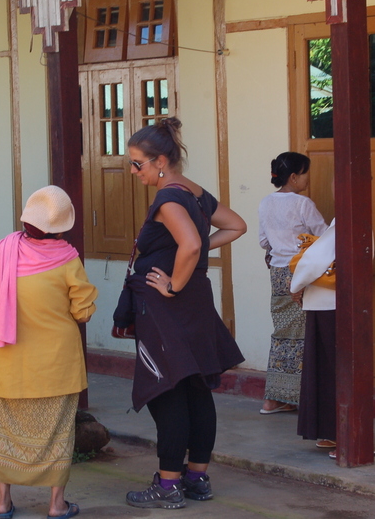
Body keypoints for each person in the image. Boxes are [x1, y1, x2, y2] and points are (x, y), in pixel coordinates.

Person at [123, 117, 247, 510]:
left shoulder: (169, 198)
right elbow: (236, 226)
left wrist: (174, 282)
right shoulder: (194, 193)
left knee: (167, 391)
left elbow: (191, 243)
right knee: (195, 388)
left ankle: (168, 485)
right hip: (196, 303)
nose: (133, 171)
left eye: (137, 164)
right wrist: (186, 258)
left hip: (168, 306)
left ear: (160, 161)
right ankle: (196, 477)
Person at [0, 185, 97, 519]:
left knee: (5, 433)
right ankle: (56, 505)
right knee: (58, 434)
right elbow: (83, 311)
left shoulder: (1, 251)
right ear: (61, 225)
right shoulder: (68, 259)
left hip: (8, 362)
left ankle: (2, 501)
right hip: (55, 365)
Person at [257, 152, 327, 415]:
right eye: (306, 173)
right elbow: (324, 236)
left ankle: (274, 398)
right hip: (300, 273)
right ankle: (302, 397)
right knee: (305, 335)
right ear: (294, 177)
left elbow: (264, 242)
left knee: (283, 333)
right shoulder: (302, 204)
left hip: (277, 273)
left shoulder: (266, 203)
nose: (308, 179)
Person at [290, 218, 337, 454]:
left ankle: (340, 434)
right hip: (326, 304)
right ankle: (331, 432)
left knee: (329, 370)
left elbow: (314, 261)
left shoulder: (346, 221)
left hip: (329, 305)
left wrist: (295, 284)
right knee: (327, 371)